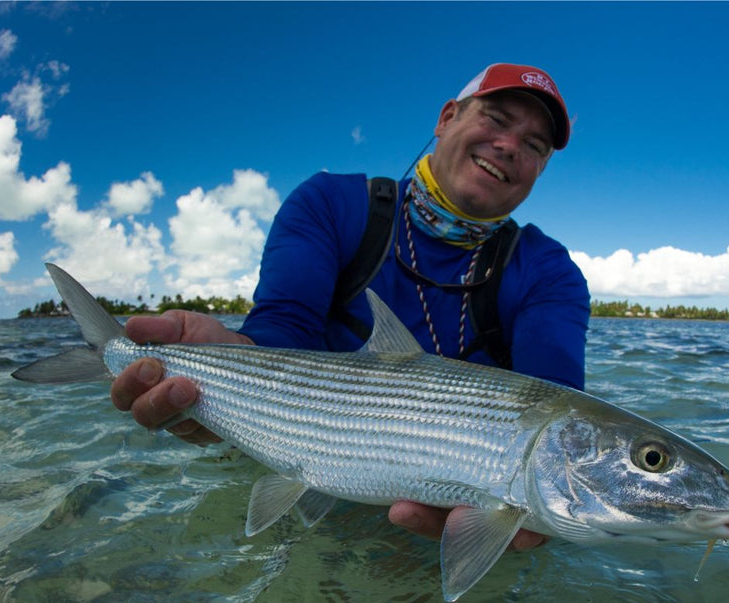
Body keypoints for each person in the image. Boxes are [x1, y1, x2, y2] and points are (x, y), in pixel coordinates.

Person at [111, 63, 590, 551]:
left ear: (542, 168)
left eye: (535, 146)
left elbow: (559, 402)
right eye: (496, 118)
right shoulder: (331, 203)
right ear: (447, 118)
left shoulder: (549, 271)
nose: (510, 146)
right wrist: (230, 366)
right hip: (303, 459)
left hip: (459, 513)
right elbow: (283, 331)